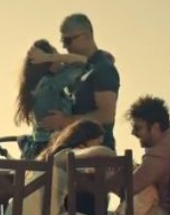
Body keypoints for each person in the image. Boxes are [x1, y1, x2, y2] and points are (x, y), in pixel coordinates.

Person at [14, 39, 110, 159]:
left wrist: (50, 57)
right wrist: (49, 57)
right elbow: (82, 62)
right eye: (56, 56)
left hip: (39, 147)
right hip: (50, 147)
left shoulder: (37, 86)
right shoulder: (50, 85)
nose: (60, 59)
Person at [41, 13, 120, 150]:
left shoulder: (103, 69)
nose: (65, 47)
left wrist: (64, 121)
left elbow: (106, 116)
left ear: (86, 36)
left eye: (68, 40)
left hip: (96, 152)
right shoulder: (77, 68)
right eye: (62, 41)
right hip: (74, 150)